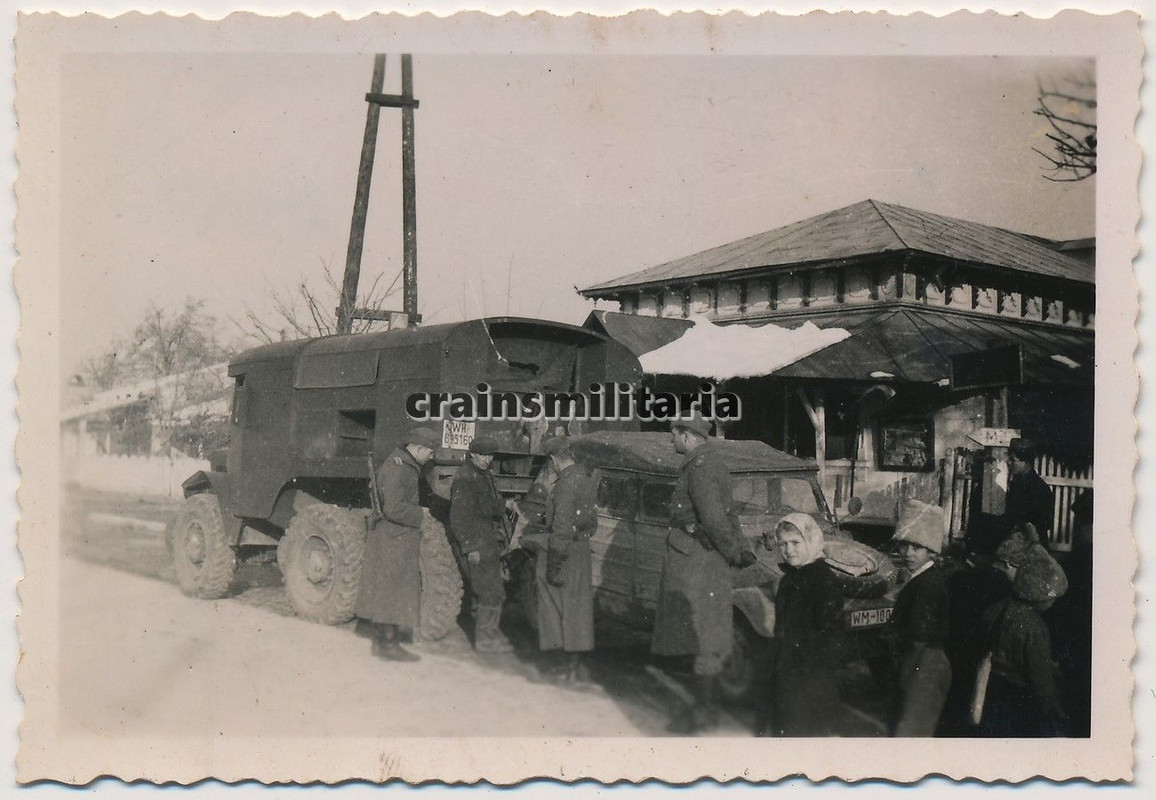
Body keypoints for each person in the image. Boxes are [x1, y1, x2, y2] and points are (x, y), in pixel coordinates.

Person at [651, 414, 757, 735]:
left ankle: (702, 712)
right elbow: (728, 513)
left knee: (701, 634)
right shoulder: (712, 462)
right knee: (706, 633)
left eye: (674, 434)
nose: (672, 440)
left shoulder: (698, 469)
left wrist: (734, 552)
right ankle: (705, 708)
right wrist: (738, 548)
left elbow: (713, 519)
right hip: (706, 556)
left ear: (689, 436)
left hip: (698, 561)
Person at [354, 426, 440, 662]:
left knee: (391, 590)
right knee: (391, 592)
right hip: (394, 538)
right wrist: (420, 513)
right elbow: (393, 509)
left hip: (397, 537)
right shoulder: (399, 469)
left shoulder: (405, 465)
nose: (432, 457)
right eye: (430, 452)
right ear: (419, 448)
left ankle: (383, 640)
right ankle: (386, 644)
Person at [766, 512, 844, 737]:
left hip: (811, 682)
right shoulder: (788, 580)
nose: (789, 550)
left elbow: (832, 639)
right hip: (787, 677)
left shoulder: (825, 582)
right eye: (783, 544)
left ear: (811, 541)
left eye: (795, 543)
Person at [977, 544, 1069, 737]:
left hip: (990, 691)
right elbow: (1040, 677)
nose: (1052, 604)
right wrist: (1052, 708)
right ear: (1041, 595)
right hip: (1019, 701)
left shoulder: (996, 608)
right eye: (1053, 599)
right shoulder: (1035, 626)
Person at [534, 437, 597, 683]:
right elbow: (592, 522)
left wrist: (555, 561)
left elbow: (560, 528)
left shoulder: (564, 485)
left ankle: (560, 665)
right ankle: (575, 665)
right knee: (578, 607)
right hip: (581, 549)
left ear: (553, 459)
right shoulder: (587, 479)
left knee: (553, 606)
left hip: (563, 550)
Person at [887, 500, 952, 737]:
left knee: (911, 731)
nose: (908, 553)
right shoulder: (920, 579)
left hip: (923, 664)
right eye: (905, 546)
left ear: (931, 551)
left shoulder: (927, 586)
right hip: (918, 661)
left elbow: (918, 634)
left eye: (917, 548)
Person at [449, 435, 514, 654]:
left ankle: (489, 633)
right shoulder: (465, 478)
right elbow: (458, 517)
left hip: (486, 540)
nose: (487, 459)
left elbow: (485, 505)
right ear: (473, 454)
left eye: (490, 455)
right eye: (483, 455)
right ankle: (486, 639)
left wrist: (505, 504)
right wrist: (470, 547)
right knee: (489, 590)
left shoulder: (483, 474)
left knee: (491, 588)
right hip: (476, 543)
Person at [1004, 438, 1055, 541]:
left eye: (1013, 460)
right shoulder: (1017, 484)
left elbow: (1044, 523)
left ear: (1026, 462)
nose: (1008, 463)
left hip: (1033, 546)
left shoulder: (1038, 487)